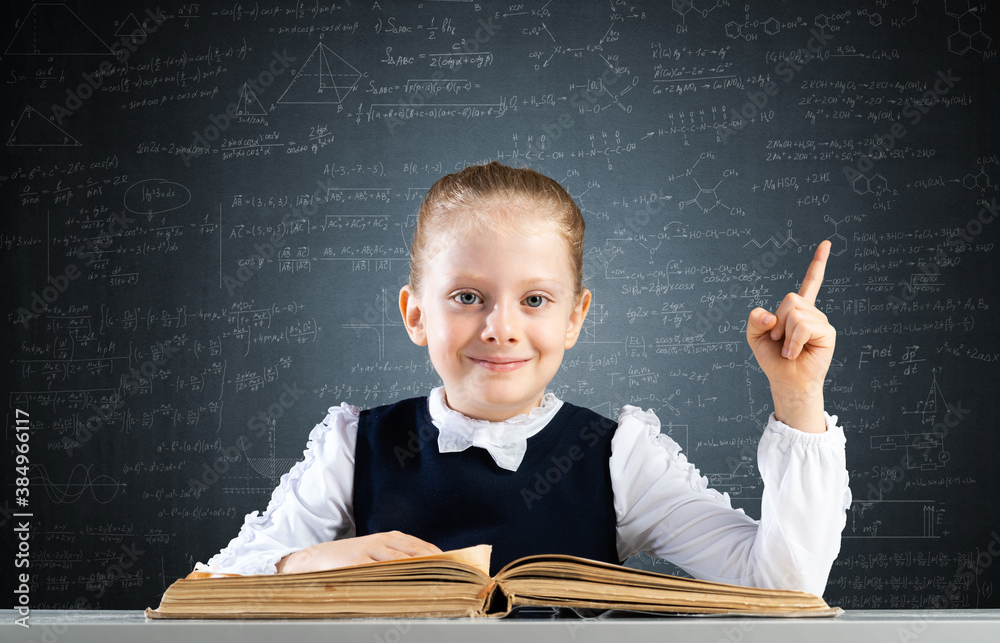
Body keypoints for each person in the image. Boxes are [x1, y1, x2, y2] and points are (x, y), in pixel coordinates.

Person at [202, 162, 850, 596]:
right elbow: (210, 591)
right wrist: (300, 562)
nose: (501, 328)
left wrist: (798, 396)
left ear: (575, 316)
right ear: (414, 313)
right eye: (466, 297)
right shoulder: (353, 446)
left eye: (535, 301)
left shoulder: (620, 457)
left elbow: (784, 588)